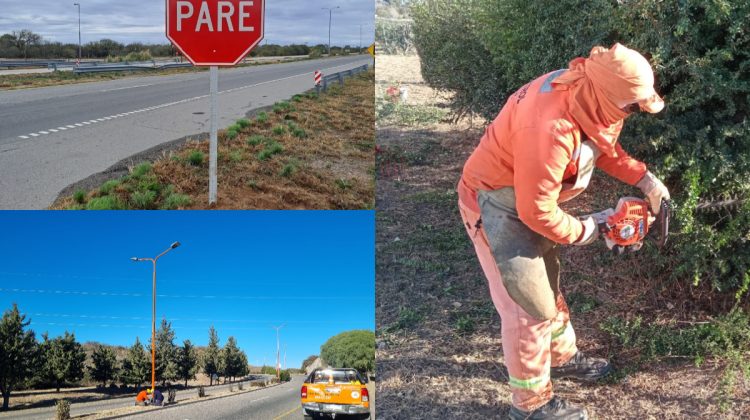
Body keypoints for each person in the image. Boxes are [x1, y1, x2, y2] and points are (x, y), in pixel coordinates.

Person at [457, 43, 670, 420]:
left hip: (529, 198)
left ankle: (562, 355)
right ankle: (530, 405)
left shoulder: (590, 94)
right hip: (495, 205)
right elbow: (536, 211)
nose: (635, 113)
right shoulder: (550, 126)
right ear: (609, 96)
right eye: (633, 107)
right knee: (527, 309)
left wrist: (646, 180)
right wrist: (591, 228)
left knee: (547, 286)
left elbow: (602, 148)